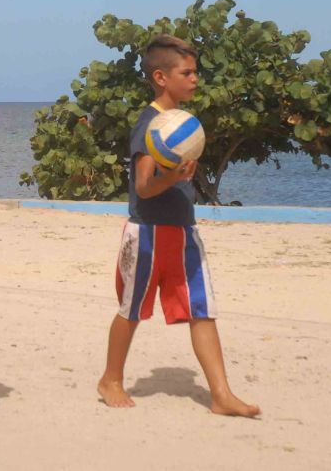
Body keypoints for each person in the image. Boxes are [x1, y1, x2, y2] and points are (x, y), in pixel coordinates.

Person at [96, 35, 260, 418]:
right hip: (148, 233)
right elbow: (142, 187)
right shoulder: (150, 125)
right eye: (187, 72)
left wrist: (181, 177)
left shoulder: (182, 124)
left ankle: (221, 394)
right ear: (161, 77)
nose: (195, 79)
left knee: (202, 310)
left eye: (195, 72)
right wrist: (174, 178)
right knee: (131, 310)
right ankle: (111, 379)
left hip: (184, 231)